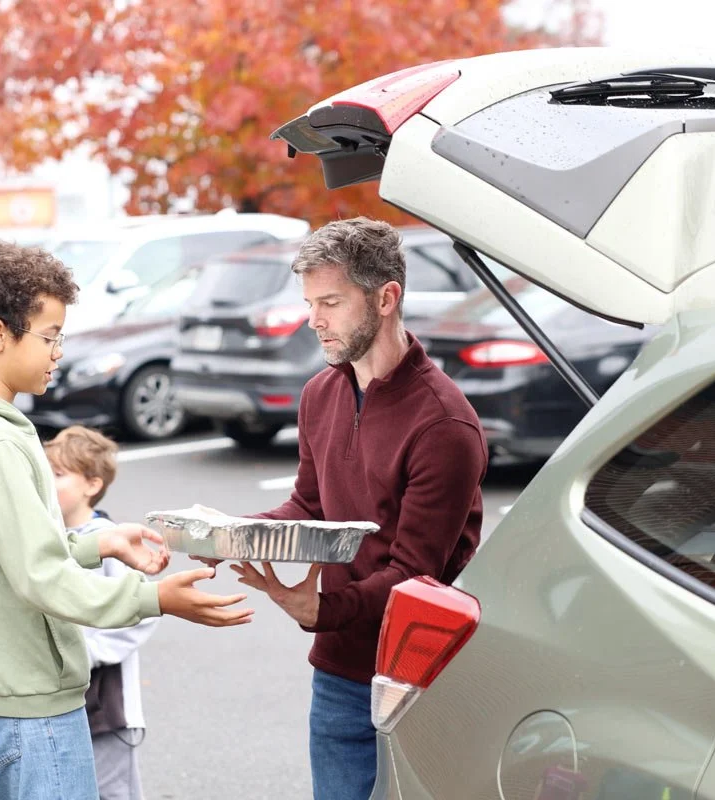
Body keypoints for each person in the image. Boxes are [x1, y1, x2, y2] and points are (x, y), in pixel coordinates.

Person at [0, 241, 254, 800]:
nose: (58, 352)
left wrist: (101, 544)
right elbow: (39, 575)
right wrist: (155, 599)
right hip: (29, 701)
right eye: (48, 336)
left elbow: (14, 553)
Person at [223, 218, 487, 800]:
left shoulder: (444, 424)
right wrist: (234, 533)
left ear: (386, 297)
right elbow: (309, 504)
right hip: (338, 675)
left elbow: (414, 576)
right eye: (310, 302)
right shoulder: (321, 392)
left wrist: (322, 609)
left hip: (417, 679)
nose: (313, 319)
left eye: (332, 302)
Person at [45, 426, 158, 800]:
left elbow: (142, 611)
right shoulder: (43, 539)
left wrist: (88, 652)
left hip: (106, 705)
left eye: (58, 474)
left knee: (110, 791)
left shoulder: (112, 540)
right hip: (58, 699)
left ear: (92, 485)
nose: (46, 481)